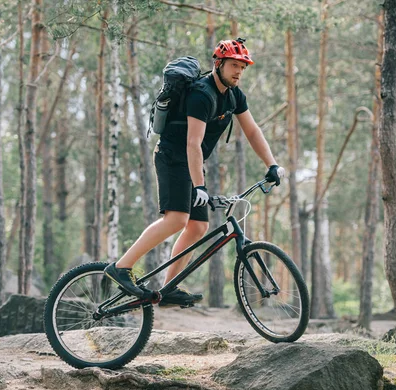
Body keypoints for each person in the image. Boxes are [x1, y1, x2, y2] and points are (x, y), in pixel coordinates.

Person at [105, 38, 285, 307]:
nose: (238, 71)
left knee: (198, 226)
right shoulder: (202, 94)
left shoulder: (234, 95)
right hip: (171, 157)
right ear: (219, 64)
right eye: (234, 65)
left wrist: (271, 164)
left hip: (190, 161)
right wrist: (200, 186)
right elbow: (192, 142)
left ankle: (168, 288)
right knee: (177, 219)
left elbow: (252, 131)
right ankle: (121, 267)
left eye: (243, 67)